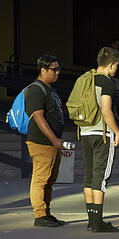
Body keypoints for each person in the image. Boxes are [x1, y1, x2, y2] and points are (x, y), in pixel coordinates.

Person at [25, 55, 72, 227]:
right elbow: (38, 117)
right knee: (41, 178)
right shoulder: (36, 90)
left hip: (51, 142)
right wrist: (54, 139)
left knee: (50, 179)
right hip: (41, 142)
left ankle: (46, 213)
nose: (58, 72)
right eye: (54, 69)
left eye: (59, 69)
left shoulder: (49, 88)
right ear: (43, 70)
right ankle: (40, 215)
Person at [79, 46, 119, 232]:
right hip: (102, 134)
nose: (116, 70)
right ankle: (98, 224)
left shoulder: (85, 79)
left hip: (84, 132)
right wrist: (117, 131)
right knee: (100, 178)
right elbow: (106, 110)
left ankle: (91, 222)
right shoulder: (106, 83)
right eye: (116, 66)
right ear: (111, 64)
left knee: (89, 178)